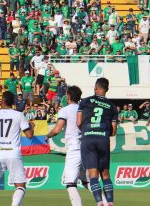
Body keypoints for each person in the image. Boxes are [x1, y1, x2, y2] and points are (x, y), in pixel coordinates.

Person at [0, 91, 34, 206]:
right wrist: (32, 126)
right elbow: (29, 135)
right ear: (13, 102)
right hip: (13, 153)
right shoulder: (19, 115)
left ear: (2, 101)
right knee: (20, 187)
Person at [77, 77, 118, 206]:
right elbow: (114, 131)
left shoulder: (85, 101)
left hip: (88, 138)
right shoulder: (112, 107)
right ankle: (110, 202)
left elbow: (78, 122)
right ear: (107, 89)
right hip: (103, 139)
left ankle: (99, 202)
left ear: (96, 88)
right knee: (105, 174)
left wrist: (87, 130)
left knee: (93, 176)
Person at [46, 86, 87, 206]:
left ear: (68, 96)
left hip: (74, 148)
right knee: (87, 181)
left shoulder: (65, 110)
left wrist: (48, 135)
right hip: (86, 147)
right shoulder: (84, 109)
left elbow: (58, 129)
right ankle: (105, 203)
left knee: (70, 183)